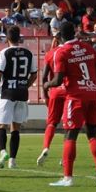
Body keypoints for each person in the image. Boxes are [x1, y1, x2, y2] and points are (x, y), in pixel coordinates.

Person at [43, 22, 96, 187]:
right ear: (75, 32)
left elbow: (57, 80)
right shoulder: (88, 47)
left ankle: (67, 178)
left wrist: (46, 85)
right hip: (93, 94)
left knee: (70, 135)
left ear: (60, 36)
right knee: (92, 133)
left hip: (76, 96)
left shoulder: (61, 52)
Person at [0, 26, 37, 169]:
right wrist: (25, 85)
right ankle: (12, 160)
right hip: (22, 93)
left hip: (7, 93)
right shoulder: (29, 53)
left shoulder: (5, 52)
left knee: (1, 125)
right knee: (15, 128)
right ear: (19, 38)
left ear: (7, 38)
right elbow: (34, 74)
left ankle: (3, 152)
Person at [37, 35, 65, 166]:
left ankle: (46, 147)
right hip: (69, 91)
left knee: (52, 123)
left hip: (54, 91)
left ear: (57, 40)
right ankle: (65, 156)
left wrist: (45, 95)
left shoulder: (49, 54)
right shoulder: (70, 52)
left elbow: (43, 78)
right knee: (69, 125)